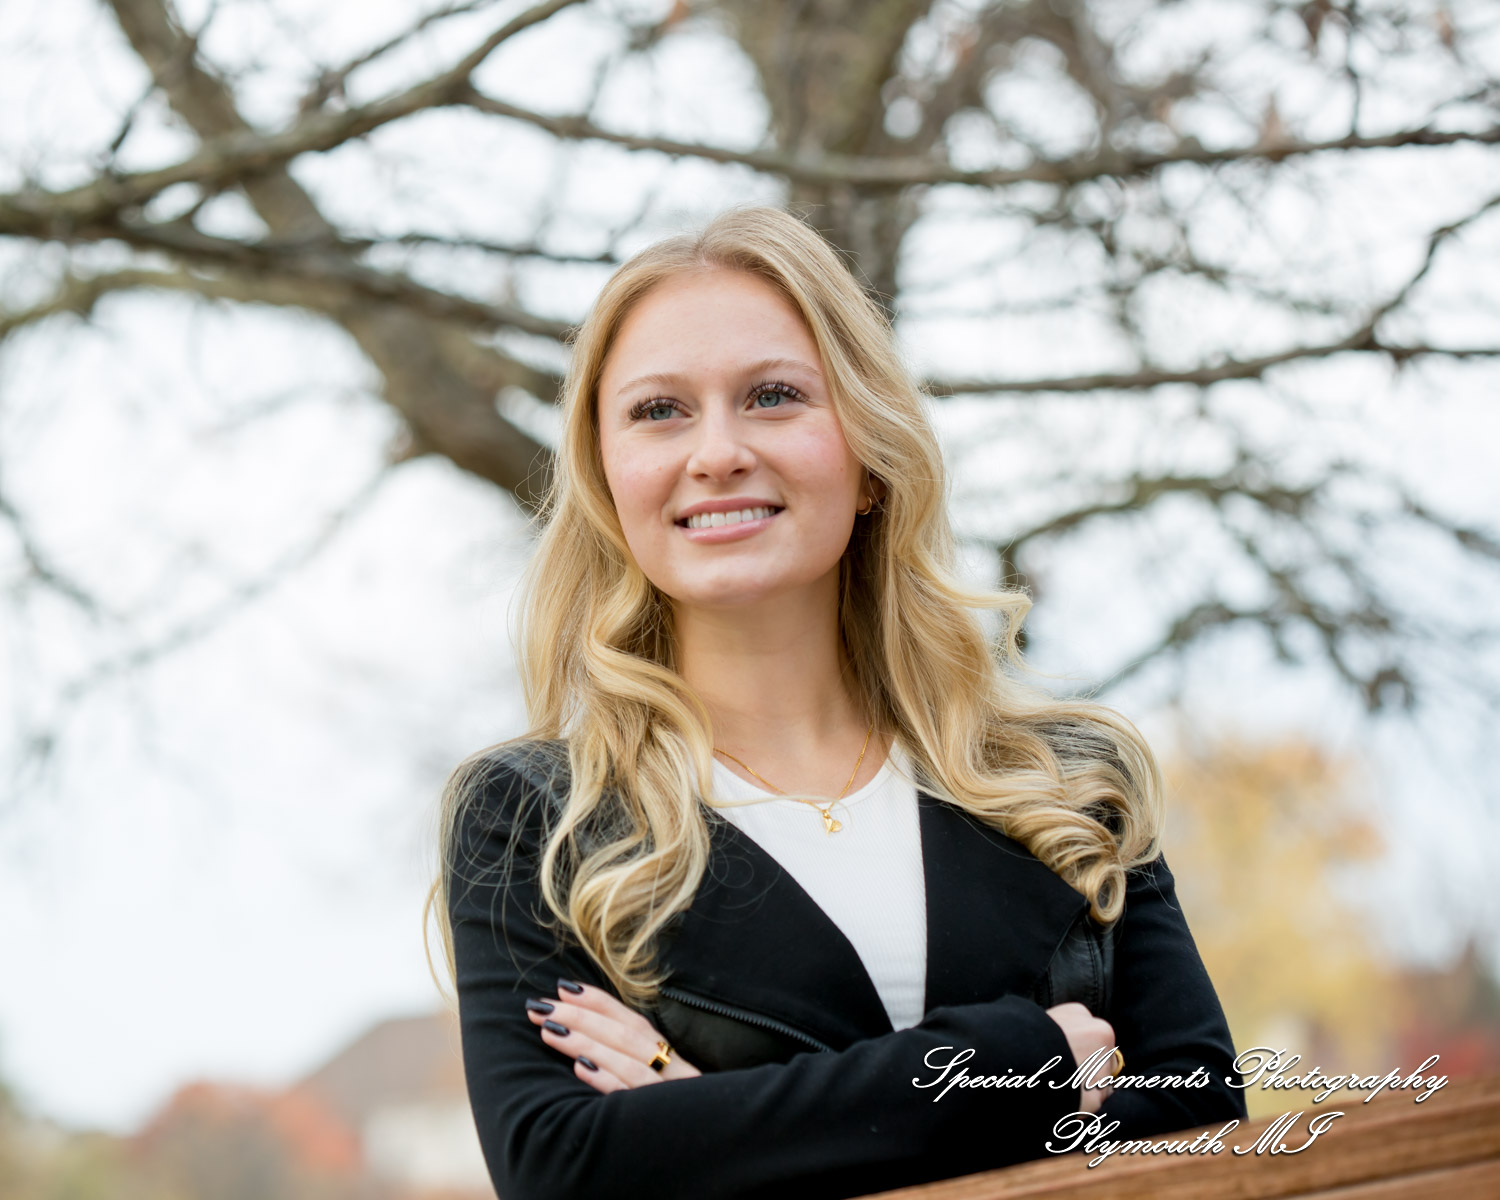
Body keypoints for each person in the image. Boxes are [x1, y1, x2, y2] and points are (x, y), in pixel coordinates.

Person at [424, 205, 1247, 1200]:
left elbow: (1202, 1120)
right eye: (659, 410)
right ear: (605, 475)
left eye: (773, 396)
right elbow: (565, 1169)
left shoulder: (1069, 783)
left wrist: (700, 1109)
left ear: (867, 456)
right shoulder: (539, 819)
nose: (717, 451)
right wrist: (1013, 1061)